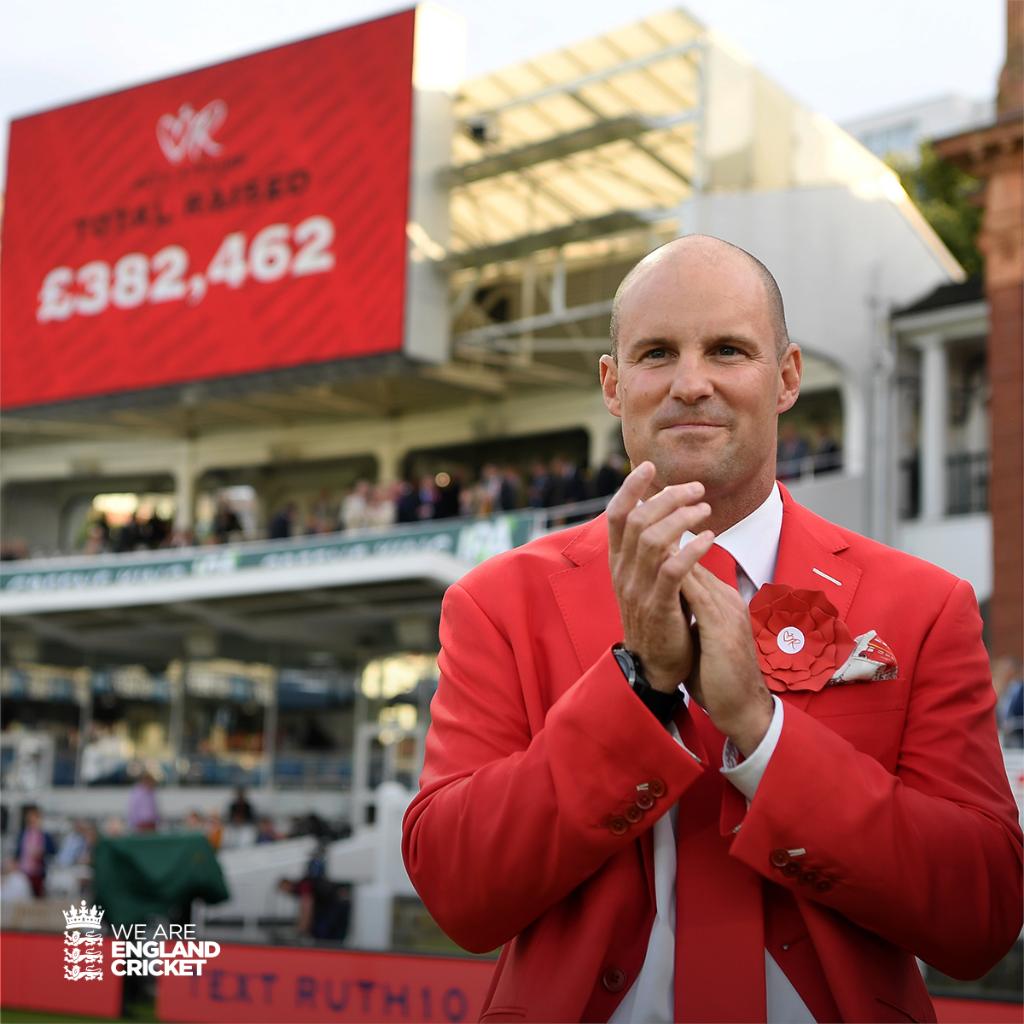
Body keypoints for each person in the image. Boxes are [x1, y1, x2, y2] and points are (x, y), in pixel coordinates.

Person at [402, 235, 1023, 1023]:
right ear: (612, 383)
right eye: (657, 353)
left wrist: (762, 735)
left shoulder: (926, 606)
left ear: (787, 377)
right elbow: (459, 894)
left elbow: (982, 917)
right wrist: (639, 687)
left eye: (728, 349)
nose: (691, 383)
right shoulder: (497, 603)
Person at [15, 805, 55, 898]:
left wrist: (42, 852)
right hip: (24, 871)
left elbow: (52, 850)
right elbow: (17, 853)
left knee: (38, 897)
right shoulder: (23, 835)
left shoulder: (45, 835)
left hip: (39, 872)